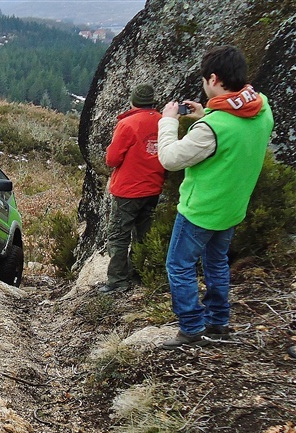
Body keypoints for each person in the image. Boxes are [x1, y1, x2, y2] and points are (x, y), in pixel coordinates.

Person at [157, 45, 274, 349]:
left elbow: (170, 158)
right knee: (217, 262)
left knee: (179, 266)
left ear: (214, 79)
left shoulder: (211, 129)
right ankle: (218, 322)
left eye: (205, 80)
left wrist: (168, 121)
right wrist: (207, 112)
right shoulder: (262, 107)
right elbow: (235, 130)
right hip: (233, 206)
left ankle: (192, 328)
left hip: (201, 209)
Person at [99, 84, 166, 293]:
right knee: (142, 234)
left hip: (127, 190)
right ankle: (137, 274)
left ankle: (117, 281)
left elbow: (112, 159)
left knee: (119, 235)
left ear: (133, 101)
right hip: (154, 187)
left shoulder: (127, 124)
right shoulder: (164, 121)